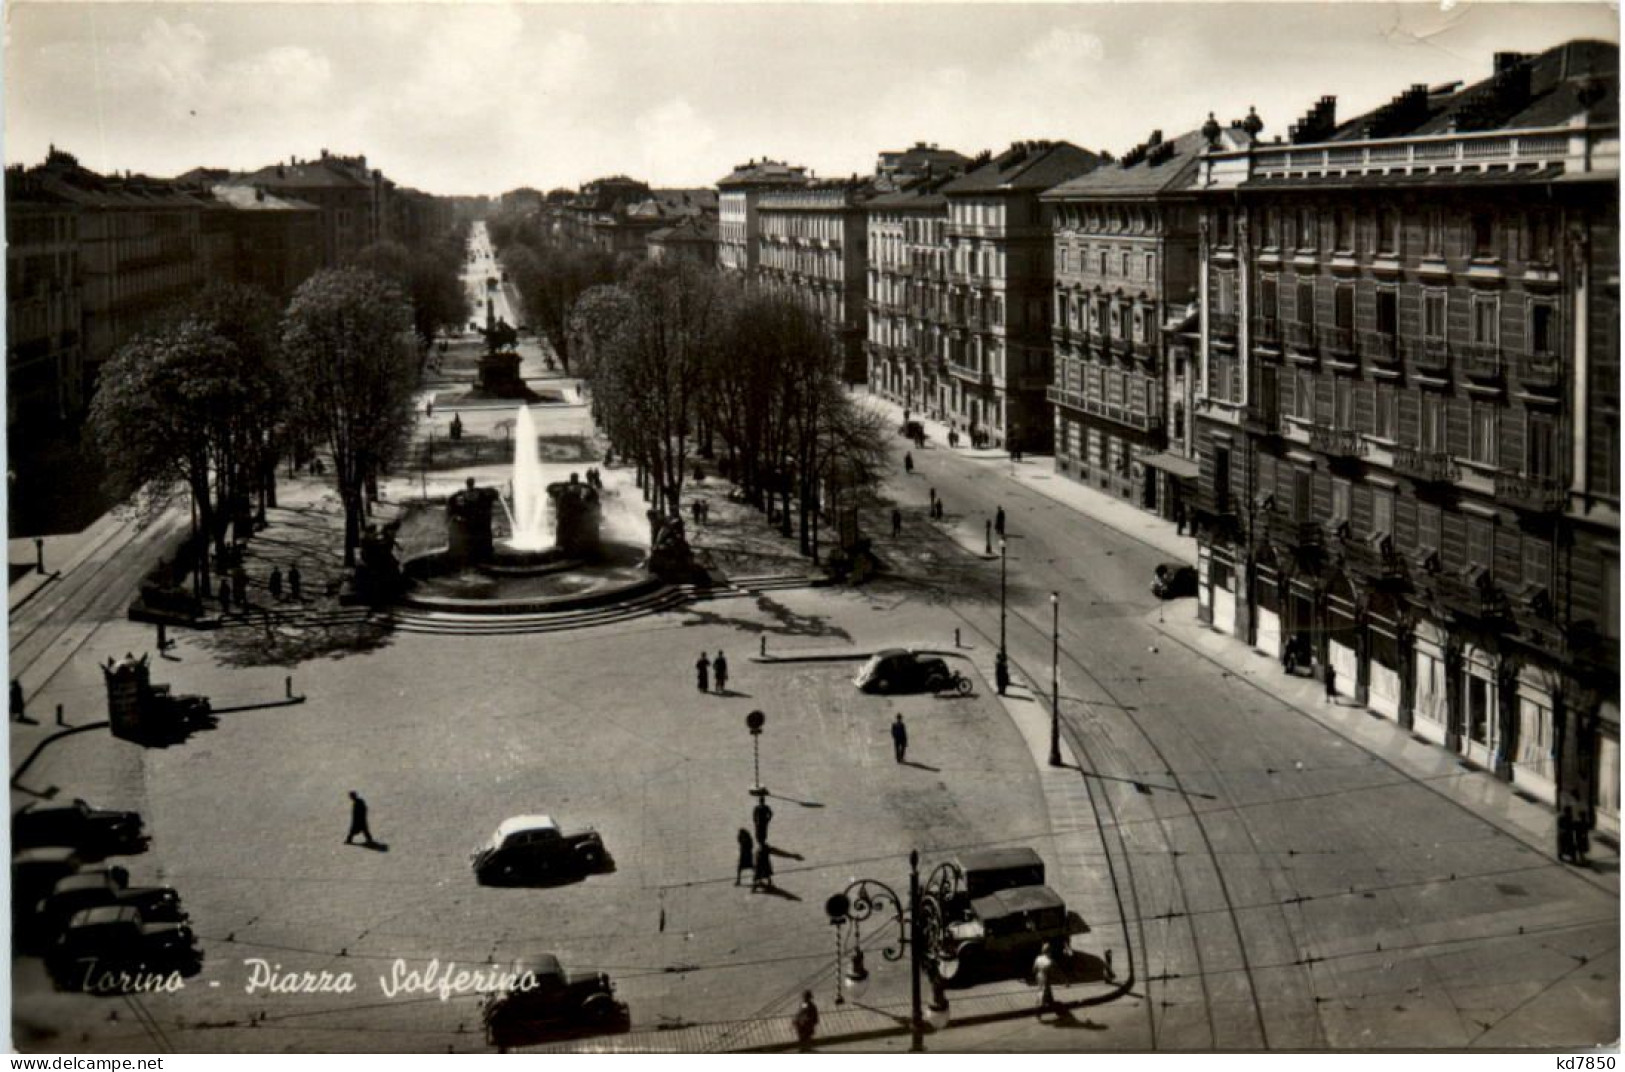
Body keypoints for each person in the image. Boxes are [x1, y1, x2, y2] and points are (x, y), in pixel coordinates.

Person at [1033, 942, 1058, 1011]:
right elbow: (1054, 972)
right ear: (1049, 952)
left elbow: (1034, 969)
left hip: (1038, 976)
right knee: (1042, 991)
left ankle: (1050, 1001)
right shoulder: (1050, 961)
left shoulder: (1038, 958)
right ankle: (1038, 1007)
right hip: (1045, 977)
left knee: (1043, 989)